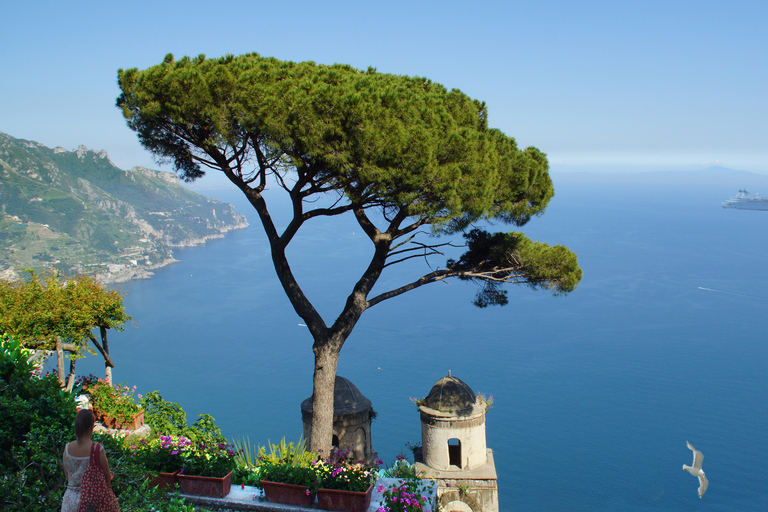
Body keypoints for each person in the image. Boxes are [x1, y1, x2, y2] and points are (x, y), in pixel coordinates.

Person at [61, 409, 114, 512]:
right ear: (92, 427)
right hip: (89, 503)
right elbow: (108, 478)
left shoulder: (67, 448)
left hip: (69, 500)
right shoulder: (97, 449)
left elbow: (68, 475)